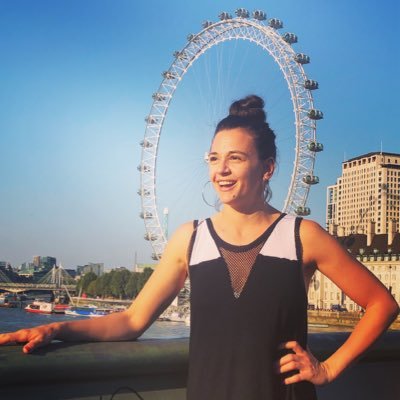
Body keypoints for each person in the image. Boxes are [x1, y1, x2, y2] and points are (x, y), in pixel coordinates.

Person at [0, 95, 398, 400]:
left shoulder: (302, 236)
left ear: (267, 167)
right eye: (213, 158)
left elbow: (382, 303)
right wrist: (57, 328)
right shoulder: (189, 238)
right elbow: (132, 321)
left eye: (235, 158)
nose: (220, 170)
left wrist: (329, 369)